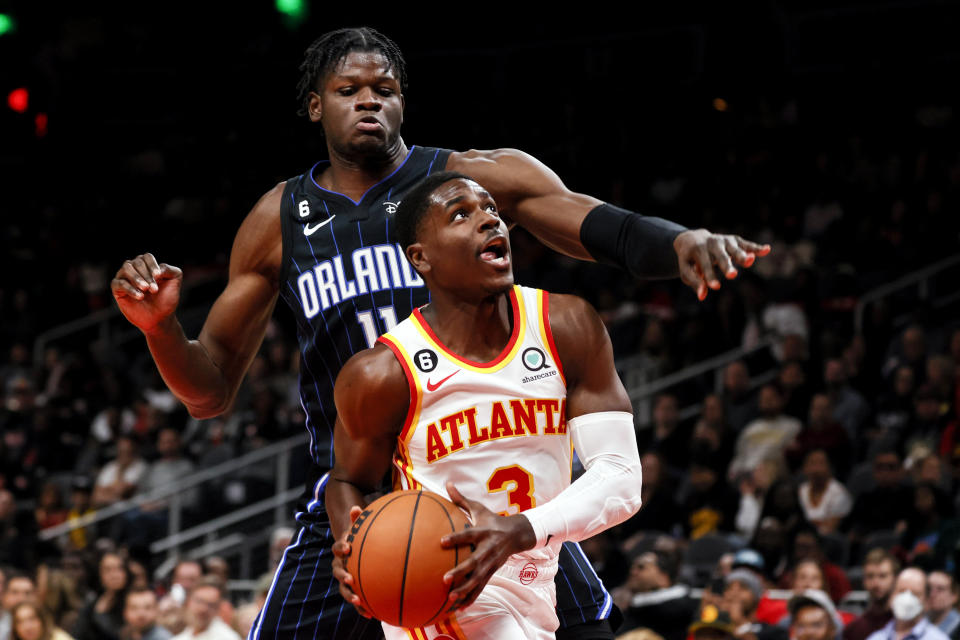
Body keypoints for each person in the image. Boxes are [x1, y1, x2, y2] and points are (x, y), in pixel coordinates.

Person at [110, 26, 769, 640]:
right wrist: (161, 328)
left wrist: (682, 241)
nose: (369, 101)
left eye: (385, 90)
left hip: (479, 482)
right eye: (349, 91)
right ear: (316, 107)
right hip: (362, 488)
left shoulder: (466, 183)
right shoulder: (278, 219)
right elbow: (209, 392)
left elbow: (604, 228)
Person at [326, 172, 643, 638]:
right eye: (462, 214)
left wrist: (519, 529)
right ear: (421, 257)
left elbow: (620, 476)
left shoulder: (566, 325)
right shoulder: (382, 373)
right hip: (443, 588)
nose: (489, 221)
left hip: (537, 584)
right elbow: (348, 479)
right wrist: (353, 547)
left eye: (491, 209)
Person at [865, 568, 949, 640]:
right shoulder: (876, 638)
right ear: (891, 595)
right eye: (901, 591)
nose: (907, 598)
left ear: (926, 602)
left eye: (915, 594)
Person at [843, 549, 898, 640]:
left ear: (895, 579)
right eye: (870, 576)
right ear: (863, 581)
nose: (876, 583)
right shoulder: (853, 630)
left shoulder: (906, 625)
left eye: (883, 576)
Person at [171, 580, 239, 640]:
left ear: (218, 609)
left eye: (210, 605)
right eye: (199, 601)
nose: (203, 609)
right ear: (188, 602)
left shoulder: (227, 637)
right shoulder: (181, 637)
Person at [9, 602, 74, 640]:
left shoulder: (60, 638)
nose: (27, 627)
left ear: (42, 620)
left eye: (32, 619)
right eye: (20, 622)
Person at [926, 571, 959, 637]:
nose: (932, 594)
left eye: (940, 589)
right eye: (928, 588)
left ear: (954, 596)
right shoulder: (915, 622)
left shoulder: (957, 628)